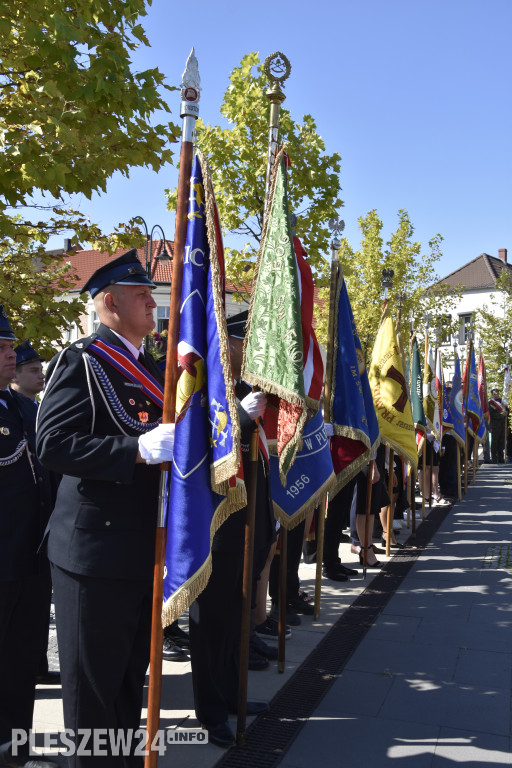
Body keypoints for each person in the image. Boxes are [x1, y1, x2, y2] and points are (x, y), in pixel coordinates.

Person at [36, 251, 174, 767]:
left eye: (150, 292)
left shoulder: (149, 369)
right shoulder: (84, 360)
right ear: (109, 303)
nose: (150, 299)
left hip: (139, 549)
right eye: (140, 293)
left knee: (124, 689)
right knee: (93, 698)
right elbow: (53, 443)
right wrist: (134, 449)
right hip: (95, 552)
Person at [188, 311, 272, 749]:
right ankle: (212, 708)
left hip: (247, 519)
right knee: (214, 620)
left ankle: (234, 695)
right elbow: (195, 444)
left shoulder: (242, 389)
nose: (251, 353)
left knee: (237, 616)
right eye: (245, 344)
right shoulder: (206, 387)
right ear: (230, 345)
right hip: (216, 525)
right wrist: (237, 416)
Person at [0, 307, 59, 768]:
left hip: (32, 560)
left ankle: (16, 750)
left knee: (22, 665)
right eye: (1, 350)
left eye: (8, 348)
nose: (8, 357)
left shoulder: (22, 407)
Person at [12, 340, 61, 686]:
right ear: (14, 375)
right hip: (16, 527)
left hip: (41, 523)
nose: (40, 375)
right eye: (32, 370)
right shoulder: (16, 410)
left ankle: (35, 665)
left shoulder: (34, 410)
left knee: (37, 602)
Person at [489, 388, 506, 463]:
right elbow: (492, 414)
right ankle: (494, 458)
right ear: (492, 395)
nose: (496, 395)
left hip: (502, 424)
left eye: (497, 394)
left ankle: (501, 457)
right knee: (495, 442)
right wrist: (502, 415)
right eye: (494, 394)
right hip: (495, 425)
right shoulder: (490, 403)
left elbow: (507, 410)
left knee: (501, 441)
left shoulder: (502, 401)